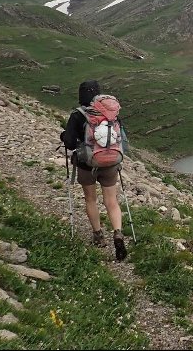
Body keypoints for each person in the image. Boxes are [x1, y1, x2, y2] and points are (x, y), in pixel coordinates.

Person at [60, 79, 127, 261]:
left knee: (91, 199)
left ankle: (98, 236)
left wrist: (64, 136)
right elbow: (123, 140)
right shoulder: (111, 114)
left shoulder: (78, 115)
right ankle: (118, 233)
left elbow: (70, 143)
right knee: (111, 201)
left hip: (86, 164)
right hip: (111, 164)